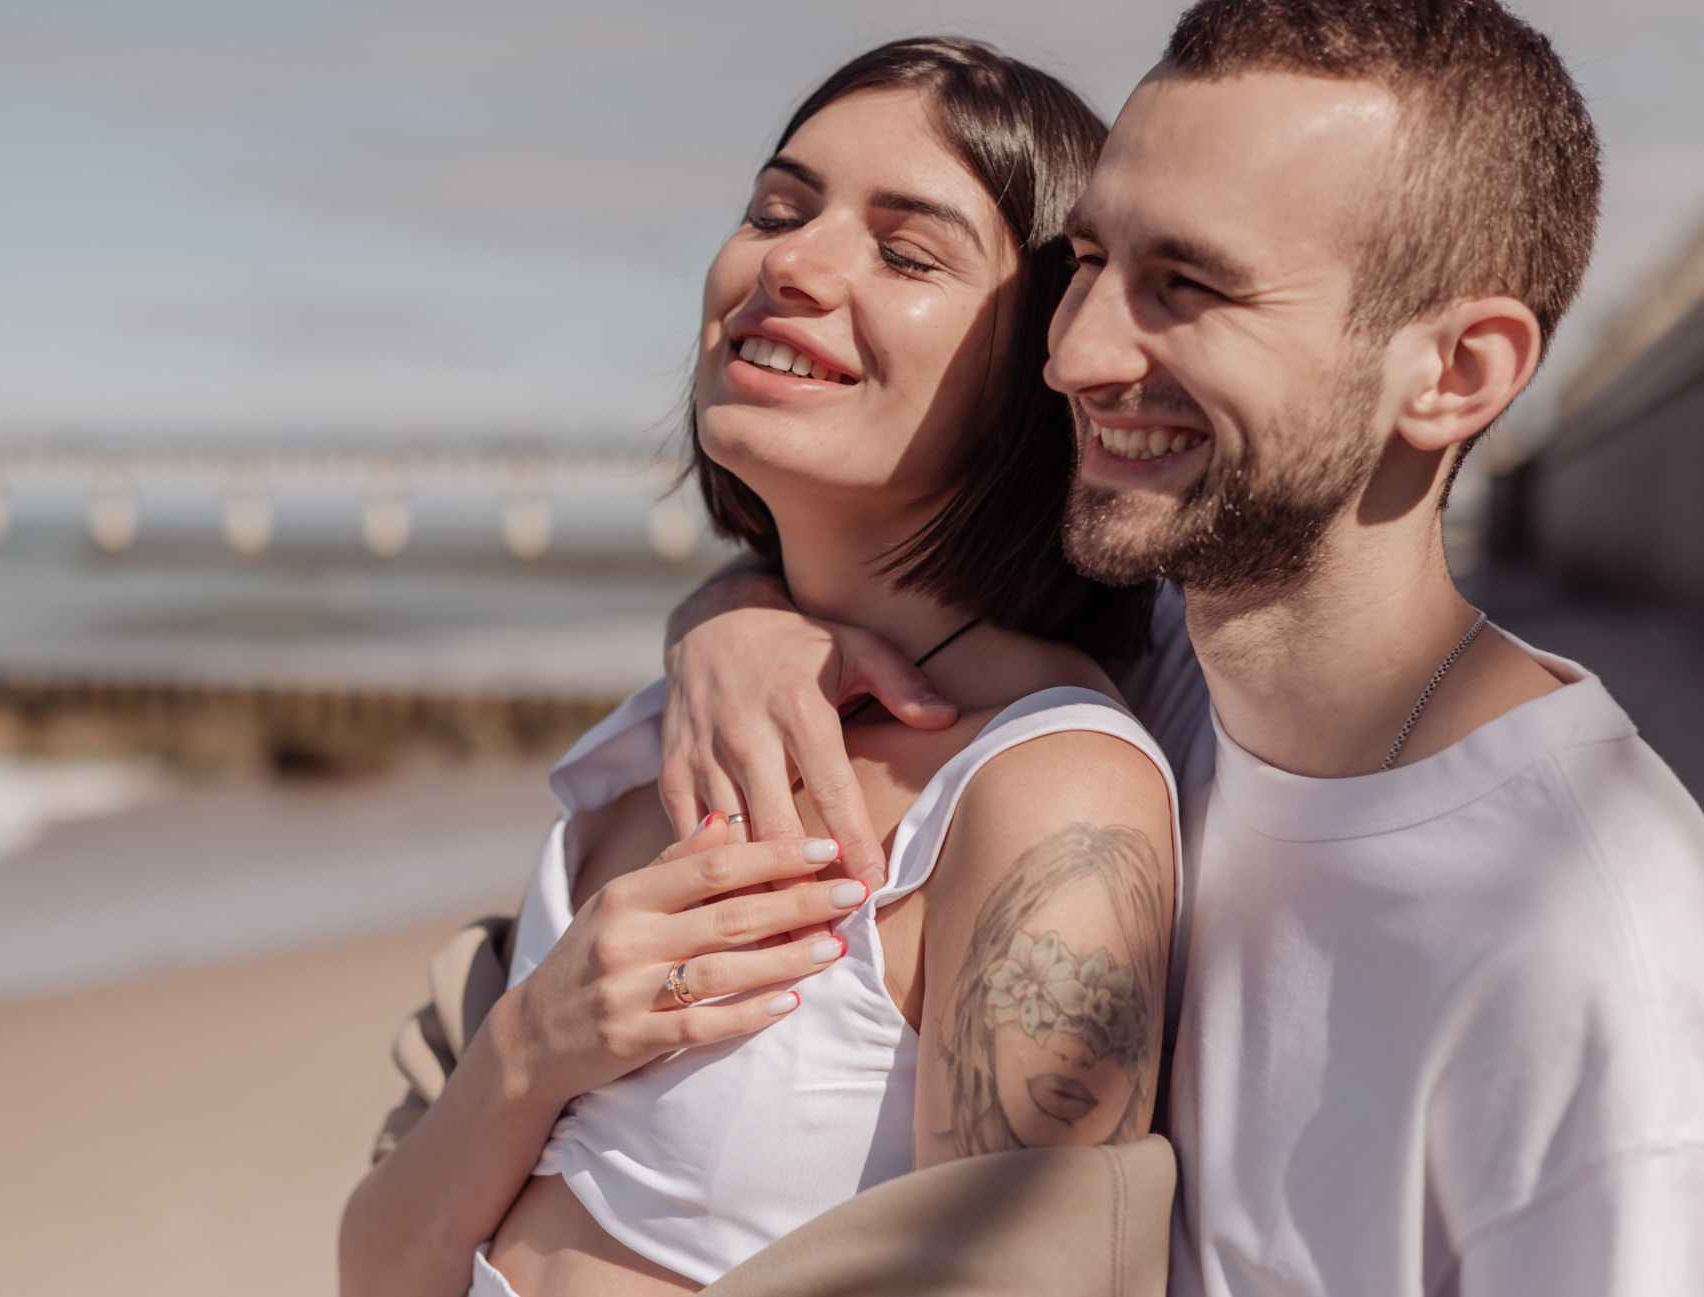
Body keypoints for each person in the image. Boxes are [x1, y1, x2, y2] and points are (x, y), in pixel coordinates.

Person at [656, 2, 1704, 1295]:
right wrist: (743, 619)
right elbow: (879, 571)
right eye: (1087, 261)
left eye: (1187, 288)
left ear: (1453, 373)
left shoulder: (1584, 943)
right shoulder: (1176, 675)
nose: (1076, 352)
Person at [339, 39, 1185, 1297]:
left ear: (1039, 365)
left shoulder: (1047, 795)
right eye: (777, 209)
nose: (788, 260)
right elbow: (375, 1269)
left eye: (906, 252)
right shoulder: (670, 731)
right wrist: (532, 1045)